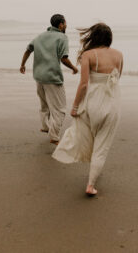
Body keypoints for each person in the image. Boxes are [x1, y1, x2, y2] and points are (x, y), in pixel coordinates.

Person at [52, 23, 123, 196]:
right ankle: (90, 184)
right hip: (112, 103)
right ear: (109, 38)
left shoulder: (88, 55)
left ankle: (82, 160)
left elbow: (84, 84)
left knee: (84, 134)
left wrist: (75, 107)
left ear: (93, 37)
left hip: (93, 103)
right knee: (102, 145)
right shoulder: (119, 55)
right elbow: (117, 77)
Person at [20, 14, 78, 145]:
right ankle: (54, 136)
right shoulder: (62, 37)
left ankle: (45, 126)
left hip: (39, 77)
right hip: (52, 77)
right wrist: (74, 68)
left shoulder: (40, 36)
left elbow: (28, 50)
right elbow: (64, 58)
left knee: (44, 104)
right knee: (60, 108)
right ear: (61, 25)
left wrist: (22, 64)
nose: (66, 25)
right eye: (65, 23)